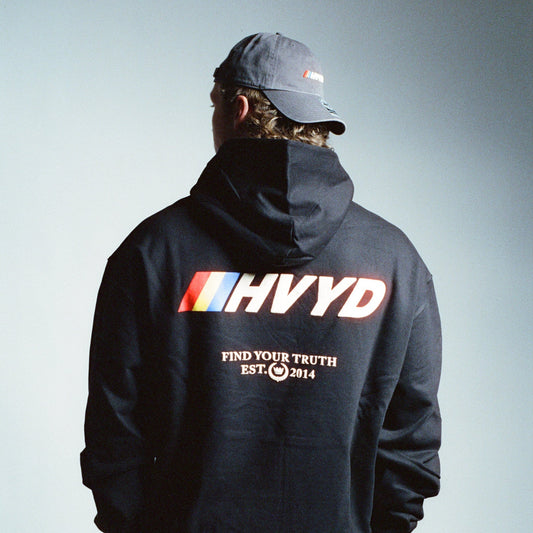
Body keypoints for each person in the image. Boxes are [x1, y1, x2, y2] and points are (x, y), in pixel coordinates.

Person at [81, 32, 442, 533]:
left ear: (239, 109)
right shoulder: (395, 260)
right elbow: (412, 437)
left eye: (215, 105)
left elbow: (114, 431)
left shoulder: (153, 251)